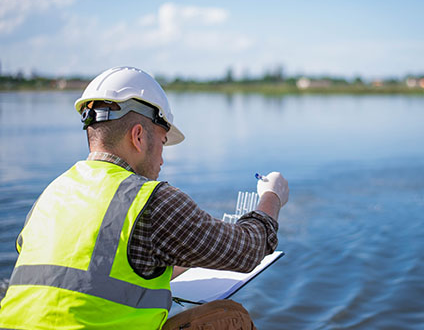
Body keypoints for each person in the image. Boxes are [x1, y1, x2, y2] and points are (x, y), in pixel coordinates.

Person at [0, 66, 289, 329]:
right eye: (163, 143)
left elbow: (86, 276)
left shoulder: (52, 194)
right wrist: (271, 196)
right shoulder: (150, 200)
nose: (163, 159)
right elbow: (250, 250)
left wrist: (183, 256)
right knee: (229, 318)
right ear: (138, 136)